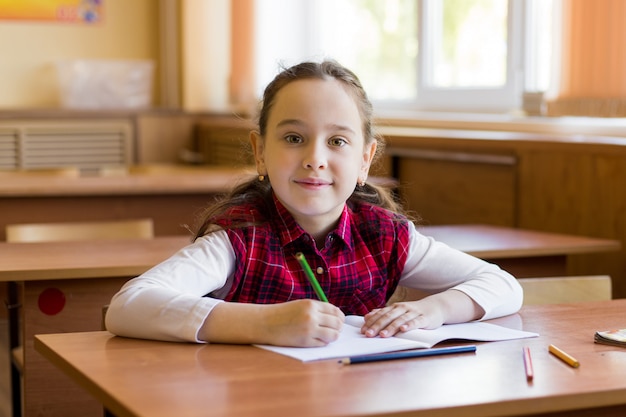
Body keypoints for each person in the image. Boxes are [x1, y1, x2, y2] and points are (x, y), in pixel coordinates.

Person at [105, 60, 523, 347]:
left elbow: (503, 286)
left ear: (364, 160)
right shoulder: (238, 239)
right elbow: (127, 307)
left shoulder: (386, 235)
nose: (315, 158)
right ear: (260, 153)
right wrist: (265, 323)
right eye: (293, 138)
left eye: (337, 141)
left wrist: (433, 309)